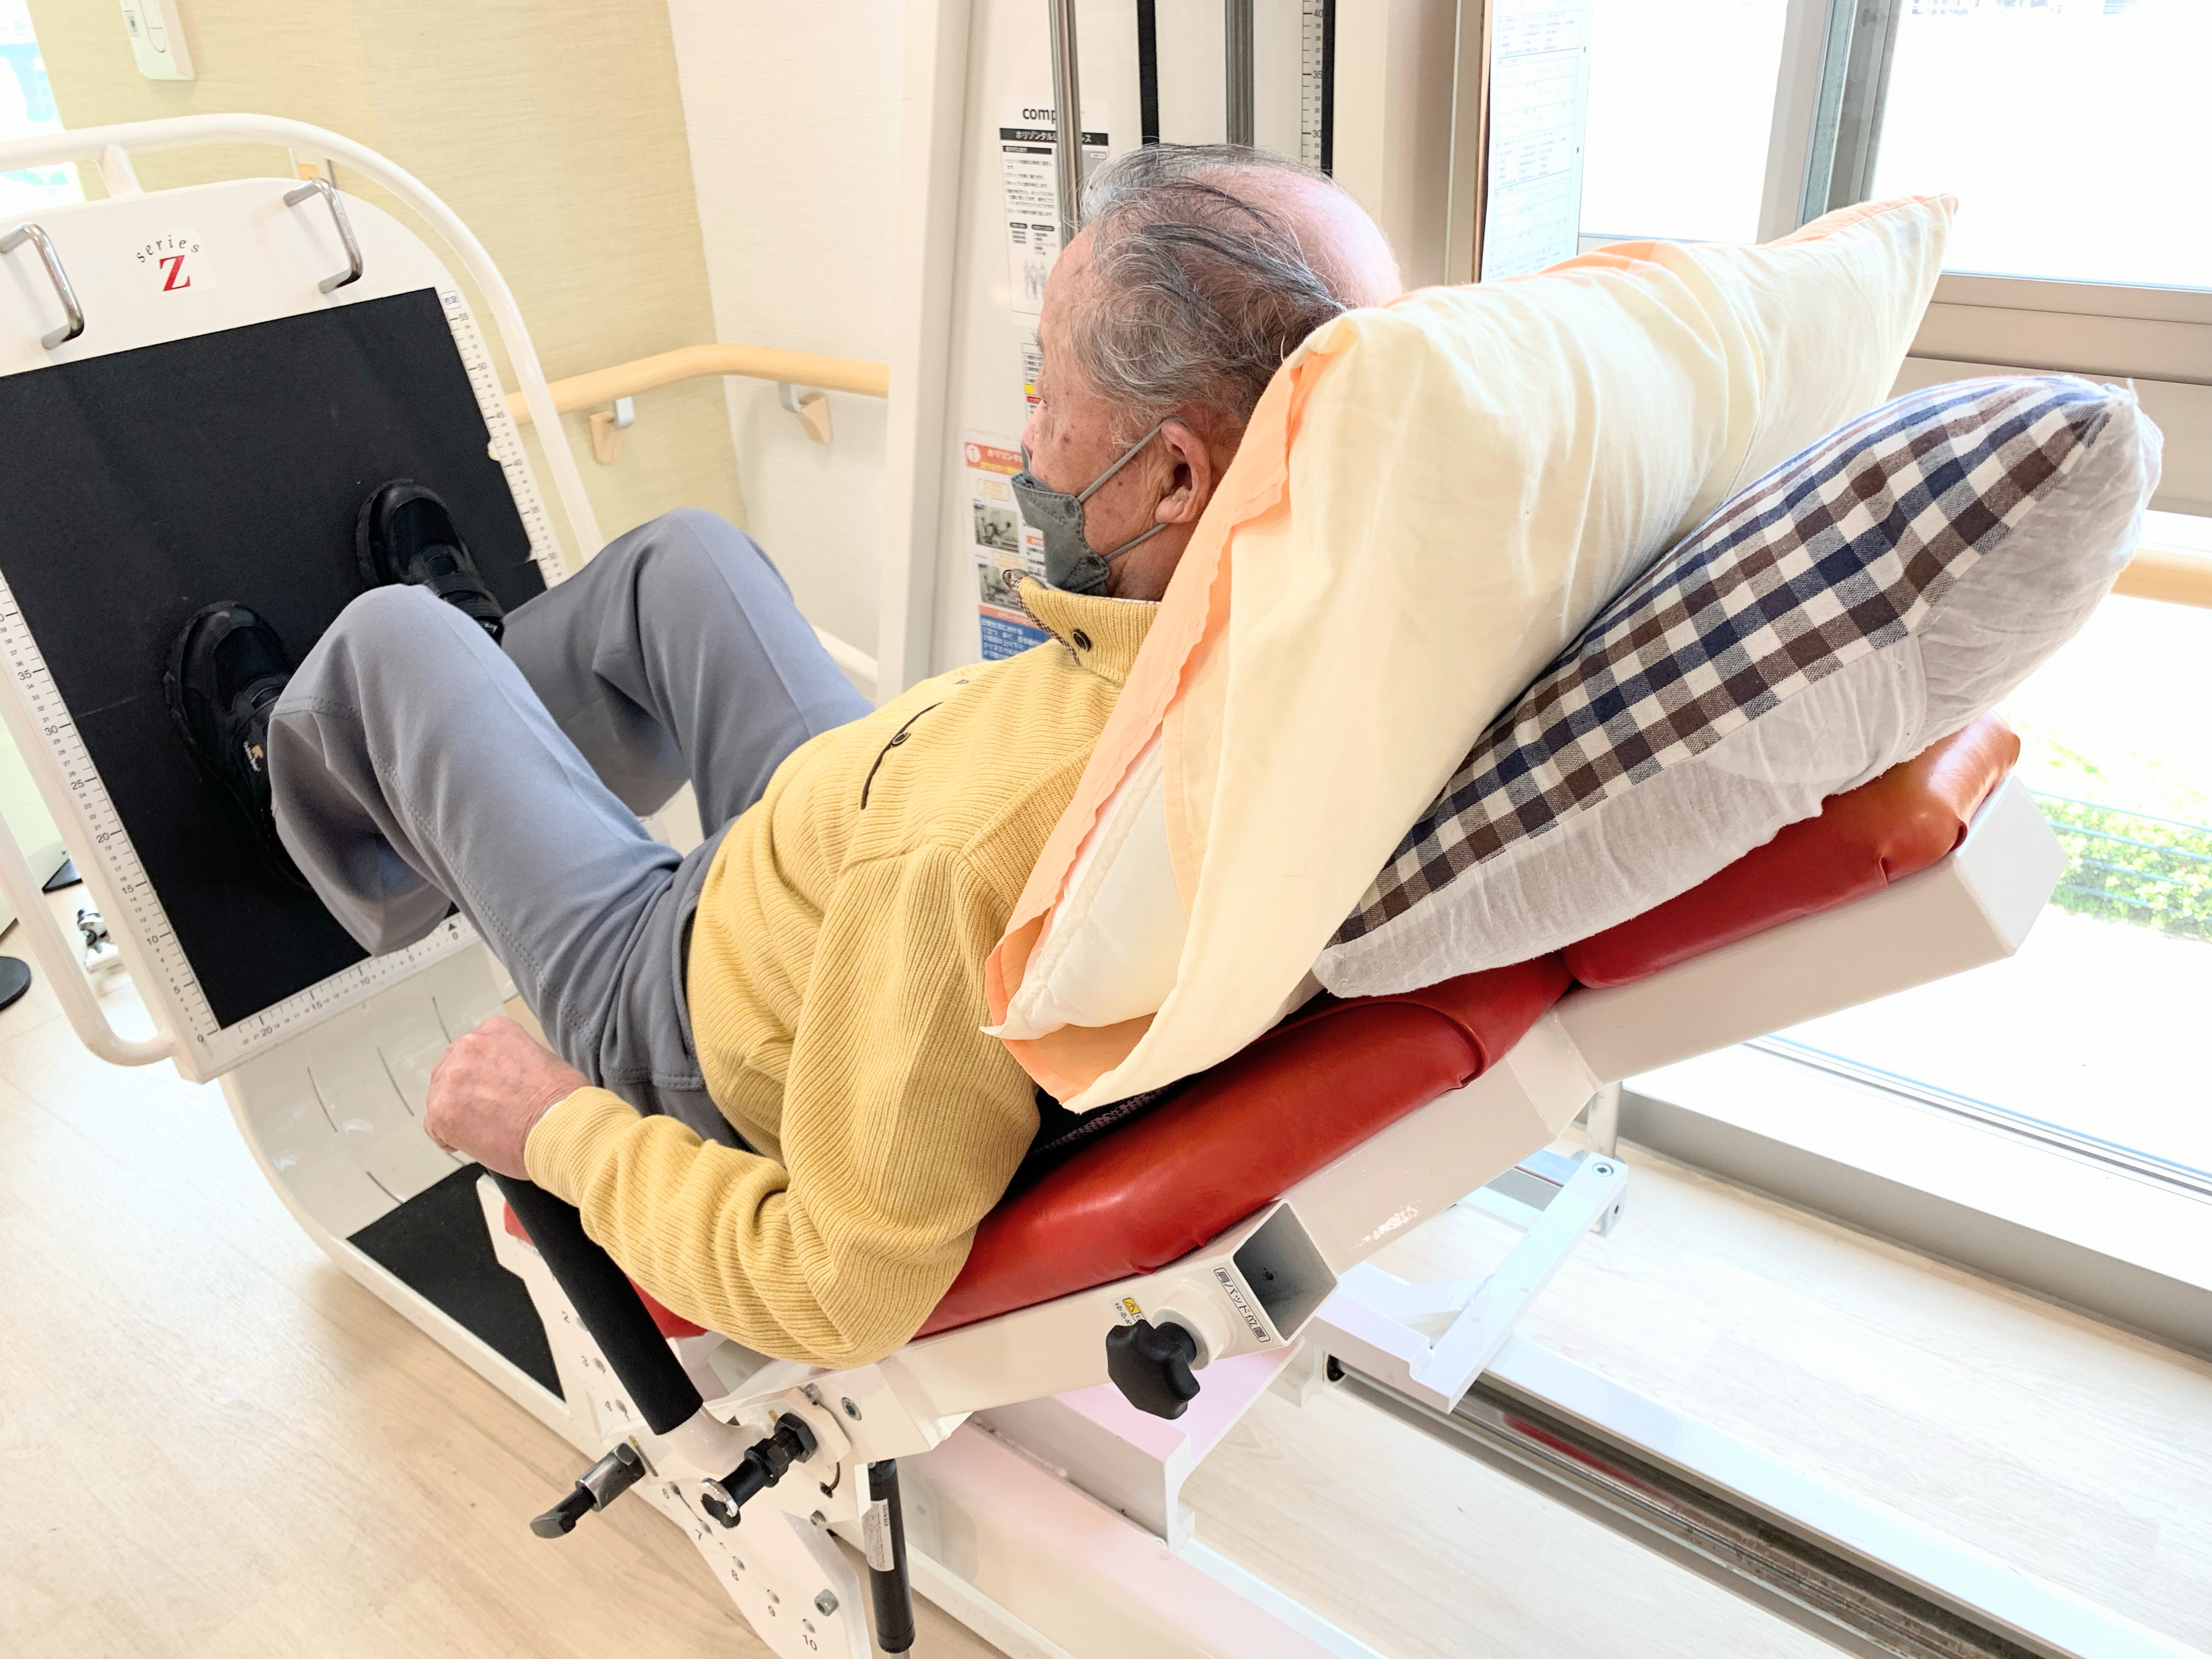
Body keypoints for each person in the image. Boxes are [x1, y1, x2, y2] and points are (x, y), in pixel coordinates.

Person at [166, 145, 1401, 1367]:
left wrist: (552, 1125)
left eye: (1048, 392)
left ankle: (308, 791)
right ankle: (468, 709)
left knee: (390, 642)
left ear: (1178, 473)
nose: (1030, 440)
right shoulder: (1310, 618)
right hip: (838, 863)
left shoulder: (959, 859)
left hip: (676, 1009)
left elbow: (837, 1290)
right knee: (683, 560)